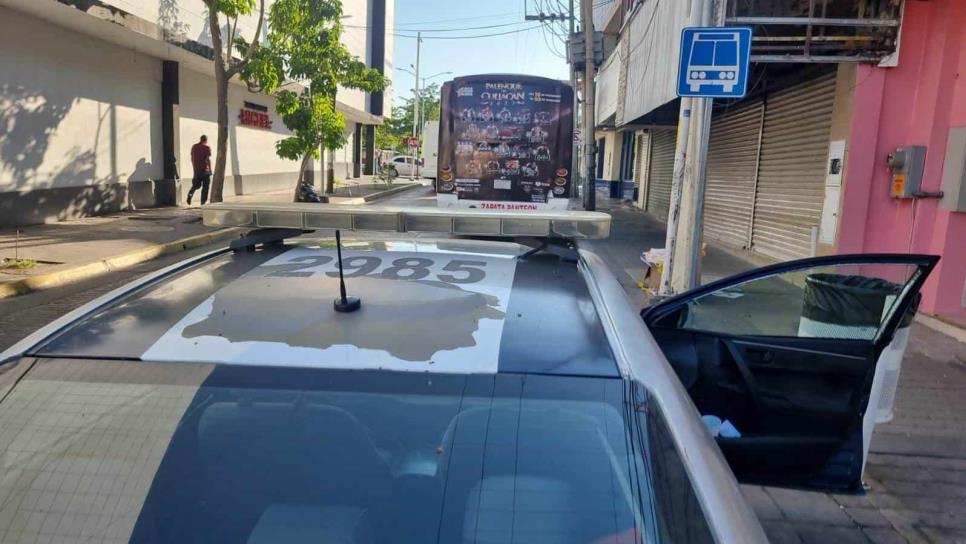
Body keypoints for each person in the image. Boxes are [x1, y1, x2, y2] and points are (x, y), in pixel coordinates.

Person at [187, 135, 212, 205]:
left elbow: (192, 158)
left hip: (196, 170)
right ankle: (203, 203)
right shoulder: (207, 148)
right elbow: (207, 159)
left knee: (196, 185)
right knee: (205, 187)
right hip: (205, 170)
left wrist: (194, 167)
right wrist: (210, 170)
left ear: (200, 139)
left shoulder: (194, 147)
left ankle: (190, 194)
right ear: (206, 140)